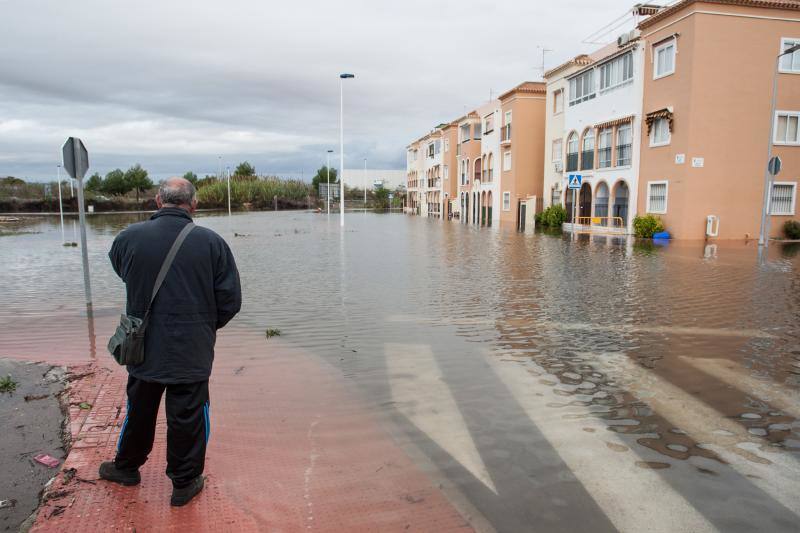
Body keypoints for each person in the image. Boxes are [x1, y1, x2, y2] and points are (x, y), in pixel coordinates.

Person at [99, 177, 242, 506]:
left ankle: (126, 468)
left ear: (157, 201)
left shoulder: (127, 238)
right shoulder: (212, 243)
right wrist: (203, 326)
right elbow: (230, 301)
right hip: (191, 347)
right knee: (188, 414)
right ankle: (184, 483)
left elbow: (125, 272)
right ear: (193, 205)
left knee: (139, 408)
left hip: (142, 343)